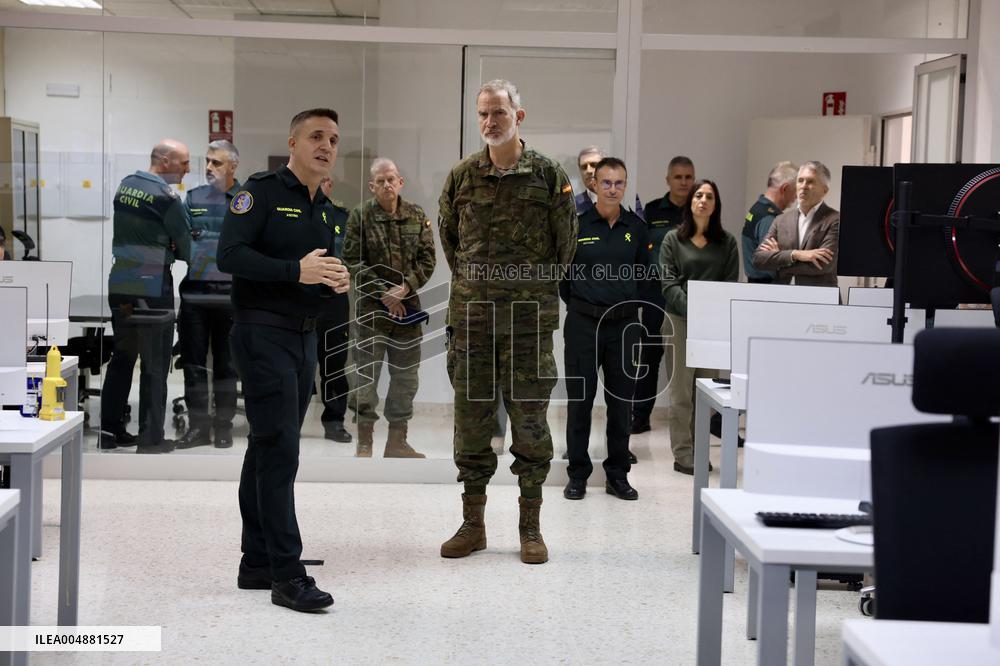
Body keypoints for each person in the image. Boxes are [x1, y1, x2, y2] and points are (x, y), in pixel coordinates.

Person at [438, 79, 577, 565]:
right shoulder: (461, 177)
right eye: (482, 114)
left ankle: (530, 528)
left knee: (530, 424)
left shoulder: (548, 176)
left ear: (519, 115)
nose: (490, 122)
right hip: (472, 321)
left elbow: (565, 249)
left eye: (498, 112)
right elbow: (452, 244)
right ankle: (472, 525)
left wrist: (527, 291)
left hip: (527, 324)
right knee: (471, 425)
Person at [218, 108, 349, 613]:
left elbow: (316, 273)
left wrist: (337, 281)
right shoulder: (262, 191)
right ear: (292, 141)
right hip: (261, 333)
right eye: (316, 136)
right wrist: (295, 271)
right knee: (281, 452)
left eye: (334, 139)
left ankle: (257, 561)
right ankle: (287, 574)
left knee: (267, 449)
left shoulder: (324, 206)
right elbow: (229, 255)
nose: (326, 145)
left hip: (303, 339)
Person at [561, 157, 648, 502]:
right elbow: (564, 280)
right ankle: (578, 475)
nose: (613, 188)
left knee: (620, 404)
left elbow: (644, 277)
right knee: (580, 402)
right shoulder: (578, 225)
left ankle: (617, 475)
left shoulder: (636, 228)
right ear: (594, 184)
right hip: (583, 324)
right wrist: (586, 305)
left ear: (625, 186)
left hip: (624, 327)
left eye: (619, 183)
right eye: (606, 182)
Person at [100, 139, 192, 454]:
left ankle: (108, 431)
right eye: (184, 162)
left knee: (123, 357)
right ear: (165, 161)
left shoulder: (126, 185)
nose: (188, 169)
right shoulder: (168, 198)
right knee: (155, 363)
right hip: (153, 285)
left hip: (121, 281)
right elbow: (188, 249)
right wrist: (173, 246)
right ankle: (151, 438)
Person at [343, 157, 436, 458]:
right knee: (365, 377)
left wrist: (405, 288)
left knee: (406, 378)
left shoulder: (416, 215)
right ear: (372, 186)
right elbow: (352, 261)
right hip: (372, 312)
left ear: (400, 182)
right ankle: (365, 441)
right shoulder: (360, 216)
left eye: (391, 179)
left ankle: (397, 441)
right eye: (380, 181)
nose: (387, 185)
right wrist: (385, 294)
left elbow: (428, 258)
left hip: (407, 312)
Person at [660, 179, 739, 474]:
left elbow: (729, 285)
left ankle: (700, 449)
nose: (703, 200)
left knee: (705, 392)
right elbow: (669, 285)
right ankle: (683, 454)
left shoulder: (727, 243)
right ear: (690, 202)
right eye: (698, 195)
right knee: (681, 393)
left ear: (716, 205)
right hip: (678, 321)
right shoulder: (672, 240)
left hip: (712, 326)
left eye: (709, 196)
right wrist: (697, 308)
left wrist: (708, 313)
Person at [176, 140, 241, 450]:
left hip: (232, 297)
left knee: (227, 365)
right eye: (208, 162)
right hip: (196, 297)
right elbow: (183, 244)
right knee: (194, 364)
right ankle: (199, 427)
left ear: (233, 166)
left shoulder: (246, 200)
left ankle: (224, 425)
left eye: (216, 162)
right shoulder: (193, 199)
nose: (209, 168)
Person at [631, 155, 695, 435]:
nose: (683, 182)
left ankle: (697, 418)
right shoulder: (654, 210)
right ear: (668, 179)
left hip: (690, 292)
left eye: (688, 177)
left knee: (691, 356)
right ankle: (641, 415)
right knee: (650, 353)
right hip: (655, 291)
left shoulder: (699, 210)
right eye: (678, 177)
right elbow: (643, 250)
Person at [751, 160, 840, 287]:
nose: (803, 186)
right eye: (800, 180)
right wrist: (796, 254)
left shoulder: (835, 219)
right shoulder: (780, 220)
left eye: (810, 181)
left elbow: (823, 265)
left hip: (820, 299)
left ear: (824, 190)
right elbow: (758, 259)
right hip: (783, 298)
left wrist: (779, 262)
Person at [315, 176, 352, 445]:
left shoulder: (342, 217)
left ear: (330, 184)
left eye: (324, 181)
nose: (320, 185)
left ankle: (335, 420)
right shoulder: (291, 214)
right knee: (295, 361)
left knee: (334, 362)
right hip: (298, 295)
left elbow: (355, 256)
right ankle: (291, 418)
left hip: (334, 297)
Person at [741, 161, 797, 284]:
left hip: (758, 287)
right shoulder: (770, 219)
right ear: (785, 188)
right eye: (795, 192)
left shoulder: (757, 209)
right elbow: (772, 262)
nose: (796, 198)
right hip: (768, 289)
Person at [575, 145, 644, 219]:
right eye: (584, 167)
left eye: (593, 165)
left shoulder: (628, 197)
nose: (588, 171)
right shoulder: (573, 204)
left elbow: (639, 227)